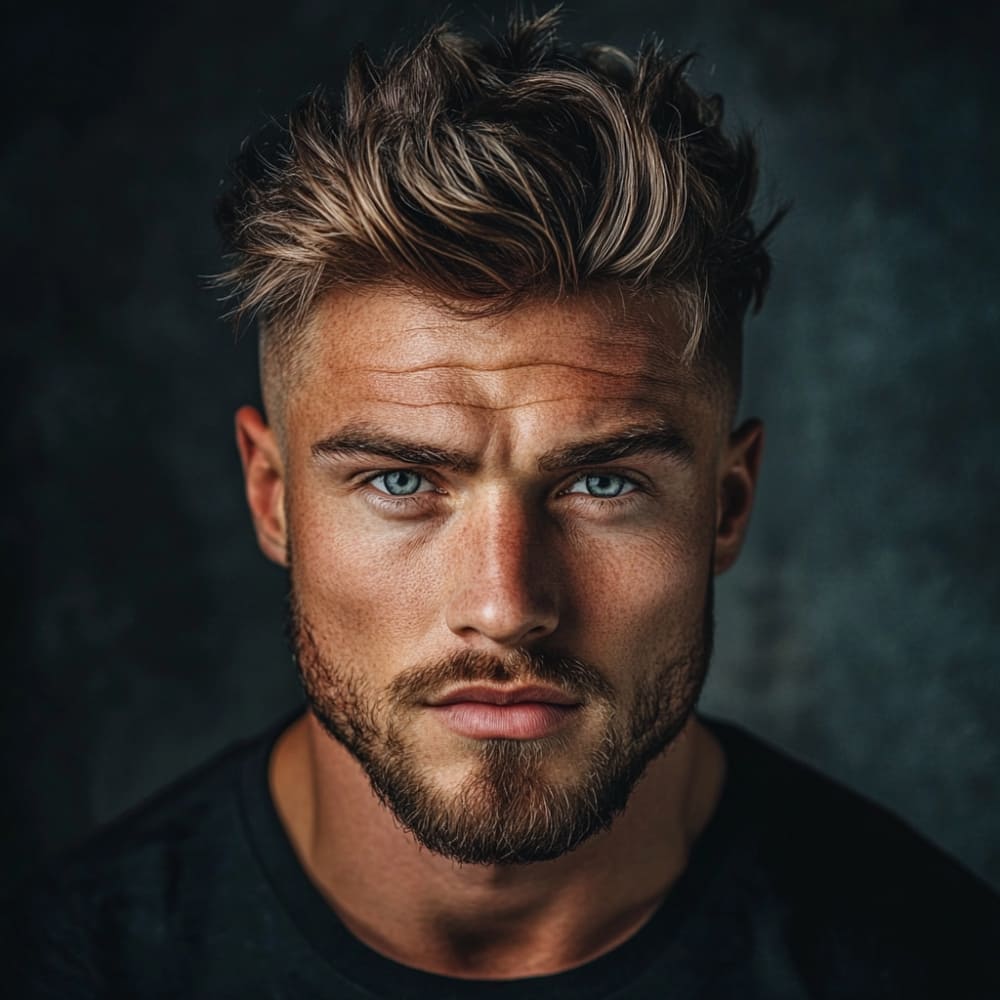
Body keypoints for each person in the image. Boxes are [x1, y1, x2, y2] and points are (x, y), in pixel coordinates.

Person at [12, 10, 999, 998]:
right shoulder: (70, 966)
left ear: (726, 506)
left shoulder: (934, 964)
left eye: (602, 483)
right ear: (272, 500)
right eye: (402, 481)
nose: (504, 603)